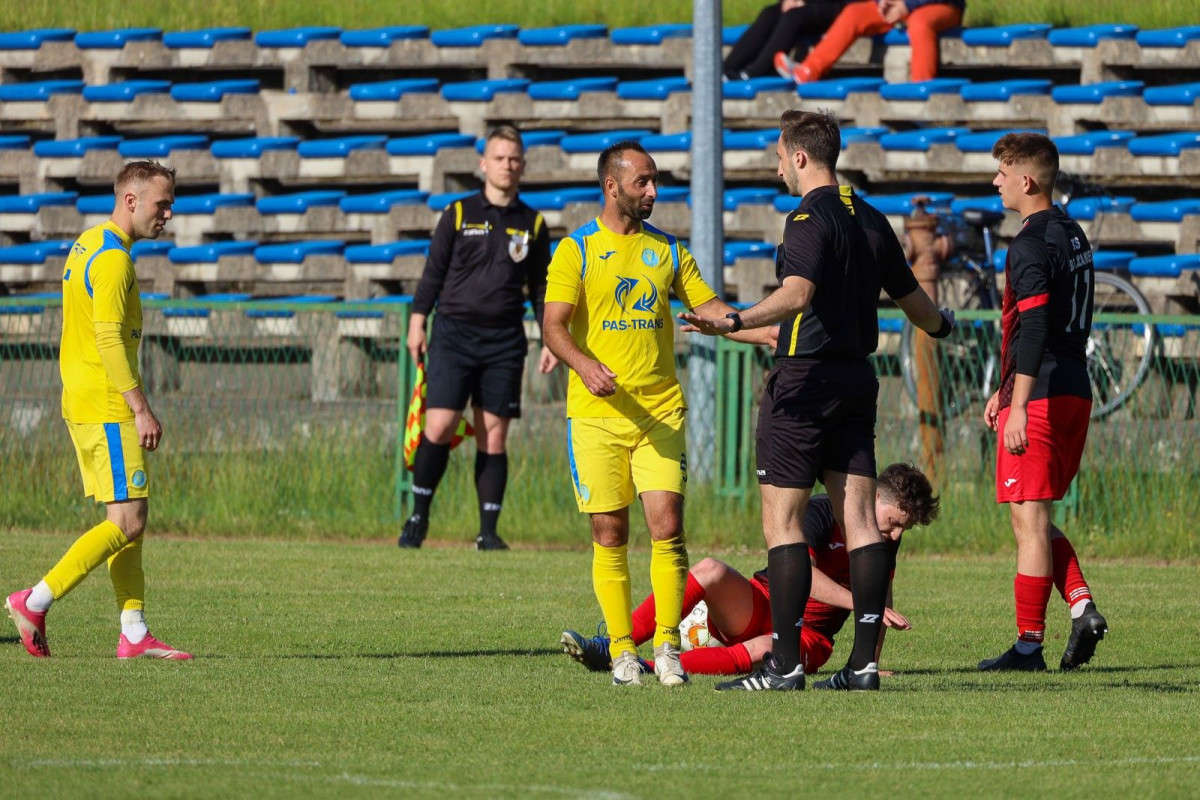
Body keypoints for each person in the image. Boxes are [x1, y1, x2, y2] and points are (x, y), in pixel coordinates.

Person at [681, 109, 954, 691]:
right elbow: (920, 310)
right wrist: (945, 326)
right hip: (858, 381)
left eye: (780, 156)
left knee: (783, 525)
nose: (777, 166)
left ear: (801, 157)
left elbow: (797, 294)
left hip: (804, 384)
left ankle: (783, 665)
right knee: (860, 521)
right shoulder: (873, 218)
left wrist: (734, 320)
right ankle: (863, 666)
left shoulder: (806, 217)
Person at [541, 141, 776, 687]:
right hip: (596, 415)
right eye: (642, 181)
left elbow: (712, 307)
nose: (652, 191)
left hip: (660, 412)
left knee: (667, 525)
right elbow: (553, 325)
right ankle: (623, 650)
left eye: (654, 181)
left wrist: (759, 329)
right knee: (609, 530)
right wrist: (584, 365)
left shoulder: (667, 251)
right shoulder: (575, 250)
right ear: (611, 186)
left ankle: (667, 646)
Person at [5, 161, 190, 660]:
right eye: (162, 204)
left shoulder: (89, 241)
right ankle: (34, 599)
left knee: (126, 515)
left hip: (84, 399)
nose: (168, 214)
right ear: (130, 200)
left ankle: (133, 631)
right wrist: (140, 408)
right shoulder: (113, 261)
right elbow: (109, 338)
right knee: (129, 520)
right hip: (107, 403)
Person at [561, 463, 940, 678]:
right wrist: (861, 602)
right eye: (893, 522)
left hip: (810, 636)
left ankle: (640, 666)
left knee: (768, 650)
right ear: (872, 496)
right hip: (762, 601)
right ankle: (615, 643)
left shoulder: (885, 540)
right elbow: (802, 578)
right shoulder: (823, 513)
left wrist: (871, 663)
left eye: (903, 528)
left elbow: (882, 598)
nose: (895, 533)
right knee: (709, 568)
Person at [978, 133, 1108, 672]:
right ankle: (1082, 609)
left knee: (1029, 522)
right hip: (1074, 386)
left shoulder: (1028, 243)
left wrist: (1021, 404)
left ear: (1026, 180)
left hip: (1045, 394)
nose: (996, 182)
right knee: (1032, 517)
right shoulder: (1072, 232)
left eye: (1003, 173)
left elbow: (1032, 329)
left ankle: (1028, 646)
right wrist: (1004, 390)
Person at [400, 125, 557, 551]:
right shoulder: (457, 213)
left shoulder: (534, 223)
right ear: (483, 164)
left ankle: (488, 532)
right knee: (440, 424)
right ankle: (418, 517)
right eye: (500, 157)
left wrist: (550, 337)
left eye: (515, 158)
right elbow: (433, 273)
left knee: (494, 435)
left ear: (522, 165)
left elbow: (543, 290)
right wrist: (418, 320)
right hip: (452, 335)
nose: (508, 165)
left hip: (505, 341)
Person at [776, 0, 964, 84]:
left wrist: (907, 5)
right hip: (899, 7)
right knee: (854, 13)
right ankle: (809, 71)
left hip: (941, 5)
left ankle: (921, 91)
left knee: (919, 24)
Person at [723, 0, 846, 82]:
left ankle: (755, 73)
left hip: (841, 5)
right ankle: (727, 68)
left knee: (794, 16)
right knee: (769, 13)